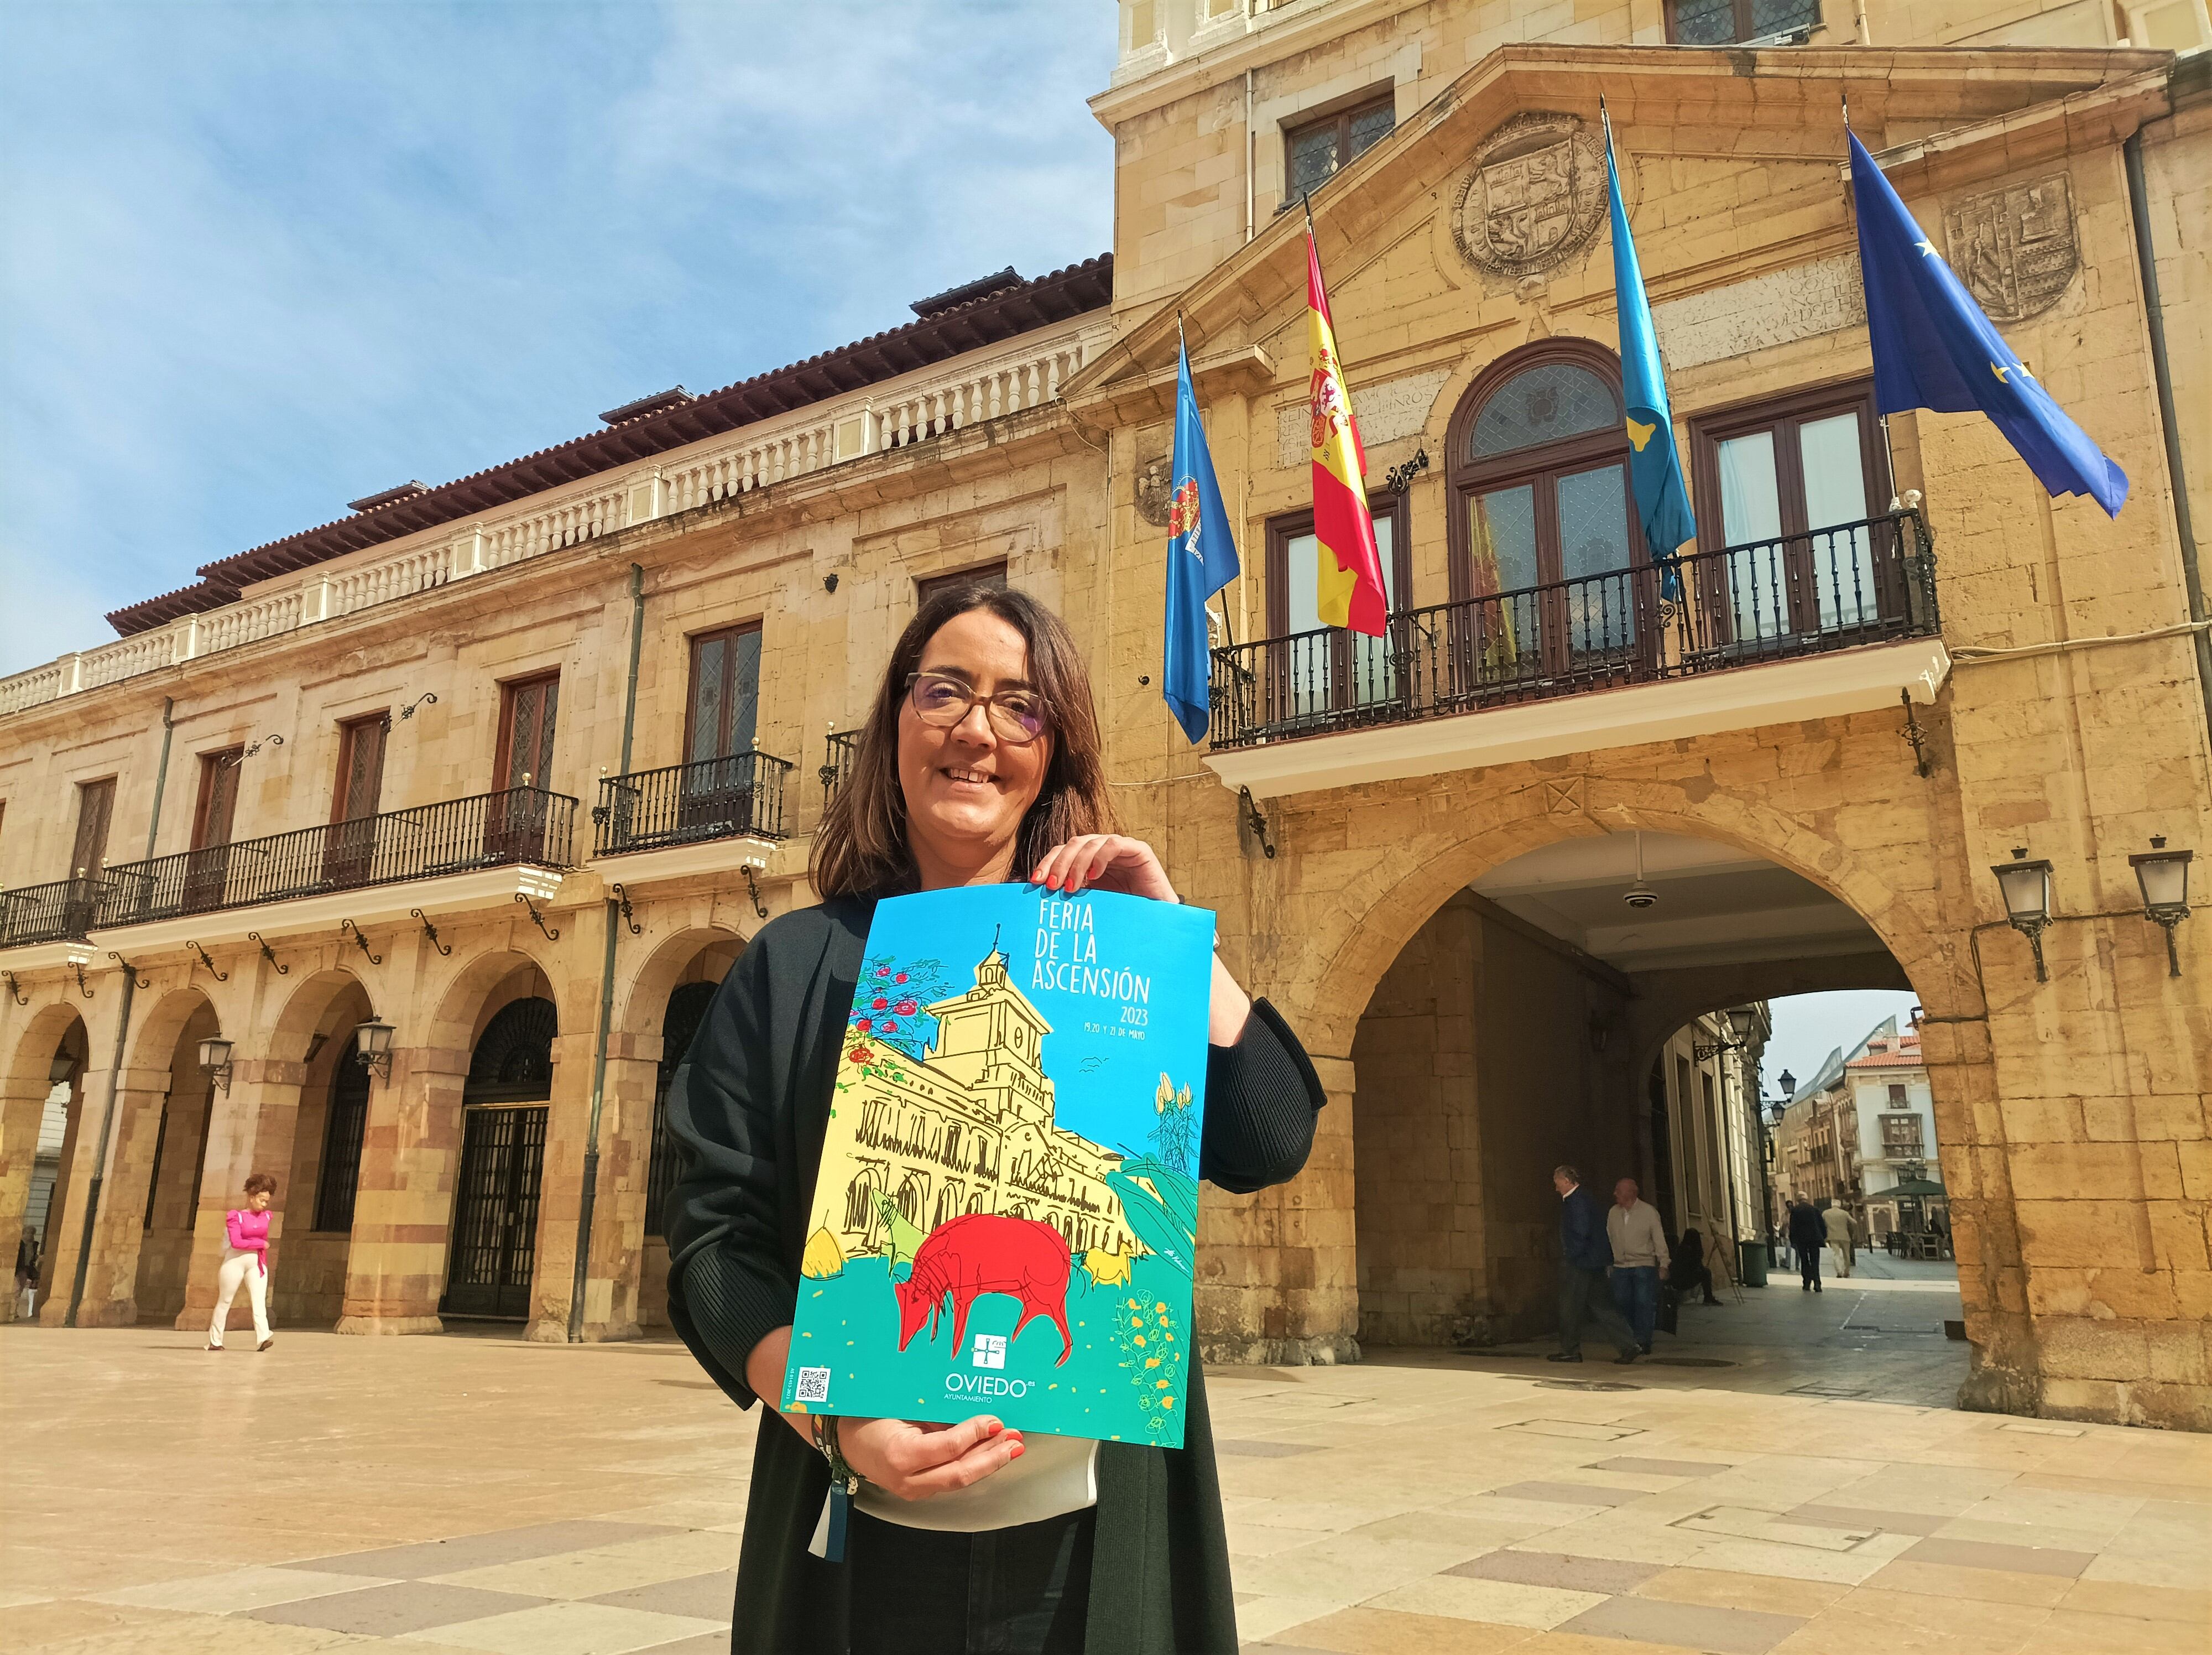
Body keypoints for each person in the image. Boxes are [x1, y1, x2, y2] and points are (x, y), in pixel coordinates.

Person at [664, 585, 1329, 1654]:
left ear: (1052, 751)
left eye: (1020, 706)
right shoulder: (793, 968)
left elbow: (1271, 1138)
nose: (976, 728)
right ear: (896, 726)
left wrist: (1173, 945)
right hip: (859, 1549)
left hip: (1090, 1545)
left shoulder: (1113, 962)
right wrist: (833, 1420)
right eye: (945, 692)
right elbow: (712, 1245)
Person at [1550, 1165, 1640, 1366]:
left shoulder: (1576, 1201)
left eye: (1557, 1183)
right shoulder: (1585, 1198)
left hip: (1581, 1263)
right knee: (1603, 1306)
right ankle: (1629, 1345)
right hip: (1594, 1262)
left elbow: (1581, 1232)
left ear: (1566, 1181)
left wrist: (1571, 1255)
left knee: (1570, 1307)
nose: (1556, 1188)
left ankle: (1570, 1350)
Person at [208, 1173, 276, 1350]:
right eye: (261, 1199)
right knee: (225, 1300)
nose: (264, 1204)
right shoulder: (235, 1217)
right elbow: (237, 1242)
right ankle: (216, 1340)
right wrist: (260, 1243)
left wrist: (259, 1247)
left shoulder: (266, 1217)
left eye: (266, 1201)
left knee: (259, 1300)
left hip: (256, 1262)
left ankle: (263, 1337)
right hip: (235, 1261)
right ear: (252, 1197)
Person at [1605, 1178, 1667, 1354]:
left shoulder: (1649, 1212)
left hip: (1643, 1264)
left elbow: (1658, 1238)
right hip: (1620, 1266)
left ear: (1632, 1193)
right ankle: (1631, 1338)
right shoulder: (1613, 1213)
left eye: (1619, 1190)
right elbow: (1609, 1238)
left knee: (1644, 1303)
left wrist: (1664, 1263)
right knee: (1622, 1302)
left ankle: (1643, 1340)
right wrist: (1609, 1262)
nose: (1615, 1194)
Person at [1668, 1226, 1721, 1307]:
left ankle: (1708, 1298)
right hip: (1684, 1281)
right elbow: (1695, 1267)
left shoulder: (1680, 1248)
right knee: (1706, 1273)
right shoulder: (1691, 1251)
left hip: (1676, 1280)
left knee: (1705, 1272)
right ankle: (1708, 1298)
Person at [1787, 1200, 1826, 1292]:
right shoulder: (1815, 1209)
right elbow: (1821, 1224)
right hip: (1814, 1238)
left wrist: (1793, 1240)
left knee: (1804, 1261)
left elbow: (1793, 1226)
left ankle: (1807, 1282)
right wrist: (1823, 1236)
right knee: (1815, 1261)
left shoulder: (1796, 1210)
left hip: (1801, 1239)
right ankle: (1817, 1283)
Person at [1821, 1200, 1856, 1279]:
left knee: (1836, 1254)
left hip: (1832, 1236)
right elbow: (1854, 1222)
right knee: (1846, 1255)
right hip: (1845, 1236)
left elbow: (1820, 1222)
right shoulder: (1844, 1213)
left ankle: (1839, 1272)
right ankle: (1846, 1272)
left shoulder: (1825, 1213)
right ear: (1839, 1205)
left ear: (1832, 1205)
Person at [14, 1224, 39, 1319]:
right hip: (20, 1268)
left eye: (32, 1234)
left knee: (20, 1290)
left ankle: (16, 1310)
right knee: (17, 1289)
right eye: (28, 1233)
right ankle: (14, 1310)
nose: (30, 1235)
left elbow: (32, 1258)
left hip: (28, 1268)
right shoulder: (20, 1244)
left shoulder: (34, 1245)